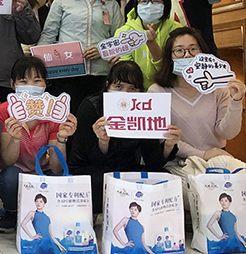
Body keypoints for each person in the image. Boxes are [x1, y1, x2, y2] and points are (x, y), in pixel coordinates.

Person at [68, 61, 181, 213]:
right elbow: (88, 157)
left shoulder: (145, 109)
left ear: (140, 91)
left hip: (127, 169)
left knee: (164, 178)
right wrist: (103, 142)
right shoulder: (92, 106)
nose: (125, 93)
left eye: (132, 89)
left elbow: (153, 162)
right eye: (118, 87)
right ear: (108, 86)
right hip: (90, 167)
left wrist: (168, 145)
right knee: (102, 181)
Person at [148, 27, 246, 179]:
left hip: (216, 160)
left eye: (193, 49)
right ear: (170, 57)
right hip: (178, 163)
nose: (187, 55)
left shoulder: (219, 88)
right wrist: (203, 154)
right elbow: (163, 138)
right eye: (179, 51)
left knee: (243, 176)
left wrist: (236, 101)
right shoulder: (157, 91)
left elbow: (227, 133)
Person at [0, 56, 77, 233]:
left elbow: (57, 168)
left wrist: (61, 139)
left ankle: (48, 215)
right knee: (9, 176)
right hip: (16, 173)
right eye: (23, 81)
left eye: (37, 80)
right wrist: (15, 138)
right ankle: (11, 212)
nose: (30, 86)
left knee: (58, 178)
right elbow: (7, 161)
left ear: (46, 84)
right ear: (13, 84)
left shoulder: (56, 111)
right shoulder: (6, 109)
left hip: (44, 172)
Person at [38, 0, 124, 113]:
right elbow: (48, 35)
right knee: (67, 119)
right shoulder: (63, 0)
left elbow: (120, 40)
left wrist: (102, 51)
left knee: (94, 119)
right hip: (66, 73)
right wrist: (39, 67)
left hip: (100, 74)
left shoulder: (111, 5)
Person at [113, 0, 182, 89]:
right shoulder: (124, 32)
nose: (149, 5)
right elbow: (125, 71)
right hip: (136, 91)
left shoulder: (176, 30)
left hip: (168, 89)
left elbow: (171, 68)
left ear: (165, 4)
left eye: (156, 1)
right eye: (144, 1)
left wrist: (152, 44)